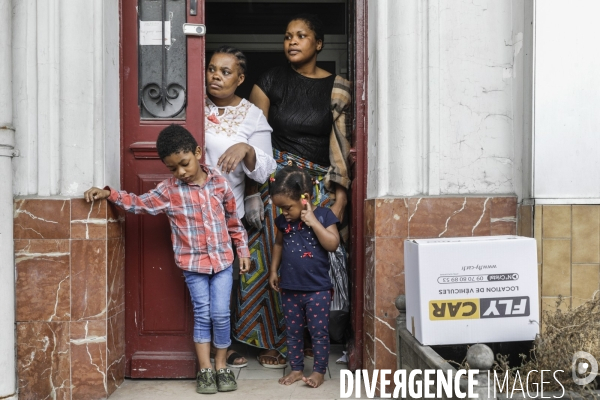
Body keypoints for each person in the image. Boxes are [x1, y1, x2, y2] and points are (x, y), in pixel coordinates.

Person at [83, 125, 249, 395]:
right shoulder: (169, 191)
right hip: (192, 265)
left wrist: (243, 251)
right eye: (173, 168)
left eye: (184, 164)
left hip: (222, 262)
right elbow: (139, 203)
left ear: (197, 153)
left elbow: (233, 221)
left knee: (220, 314)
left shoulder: (219, 181)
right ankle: (205, 369)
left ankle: (222, 366)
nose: (181, 172)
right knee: (203, 313)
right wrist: (110, 194)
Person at [240, 13, 352, 368]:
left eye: (301, 36)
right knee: (273, 261)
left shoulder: (338, 87)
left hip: (317, 186)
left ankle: (306, 337)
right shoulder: (271, 80)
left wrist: (341, 194)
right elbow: (253, 138)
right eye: (288, 36)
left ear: (318, 43)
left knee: (311, 262)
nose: (291, 41)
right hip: (276, 182)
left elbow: (342, 143)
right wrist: (254, 191)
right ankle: (268, 340)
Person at [204, 46, 276, 368]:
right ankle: (197, 348)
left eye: (225, 71)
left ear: (240, 78)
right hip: (190, 209)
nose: (216, 76)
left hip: (227, 213)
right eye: (211, 69)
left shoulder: (251, 115)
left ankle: (225, 345)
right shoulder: (191, 105)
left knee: (226, 283)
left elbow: (265, 170)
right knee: (193, 282)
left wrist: (246, 147)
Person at [268, 166, 340, 388]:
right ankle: (297, 369)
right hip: (290, 288)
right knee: (293, 332)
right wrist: (273, 270)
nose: (284, 213)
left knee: (318, 333)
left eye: (287, 207)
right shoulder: (283, 222)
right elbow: (279, 244)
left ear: (305, 198)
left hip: (317, 289)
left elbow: (332, 243)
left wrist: (313, 222)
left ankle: (319, 371)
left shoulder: (325, 215)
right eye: (280, 208)